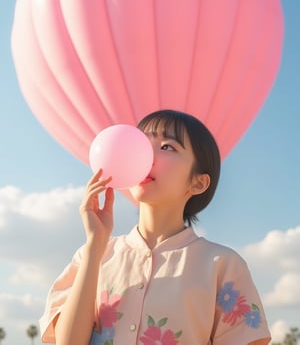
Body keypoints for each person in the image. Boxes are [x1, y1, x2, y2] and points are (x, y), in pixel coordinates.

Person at [40, 109, 271, 345]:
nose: (145, 155)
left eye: (167, 146)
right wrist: (94, 246)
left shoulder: (223, 265)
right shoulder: (92, 256)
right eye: (141, 143)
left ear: (198, 182)